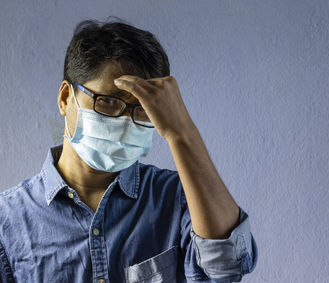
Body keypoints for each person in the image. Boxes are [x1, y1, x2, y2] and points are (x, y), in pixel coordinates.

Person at [0, 17, 258, 283]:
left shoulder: (178, 198)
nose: (124, 121)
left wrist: (182, 133)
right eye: (109, 101)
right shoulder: (7, 222)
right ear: (66, 98)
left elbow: (229, 266)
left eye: (142, 110)